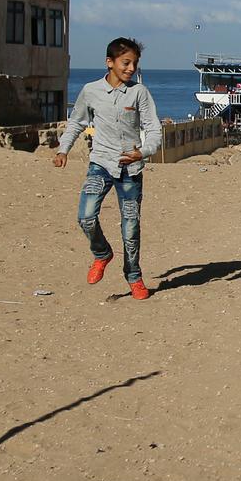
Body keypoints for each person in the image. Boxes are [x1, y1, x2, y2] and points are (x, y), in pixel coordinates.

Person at [54, 37, 162, 300]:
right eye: (126, 62)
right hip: (100, 164)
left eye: (135, 63)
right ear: (110, 62)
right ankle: (102, 254)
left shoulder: (139, 93)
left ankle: (133, 276)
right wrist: (63, 149)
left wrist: (143, 152)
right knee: (86, 217)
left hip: (131, 169)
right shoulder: (91, 91)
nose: (131, 68)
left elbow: (154, 128)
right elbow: (76, 122)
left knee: (130, 228)